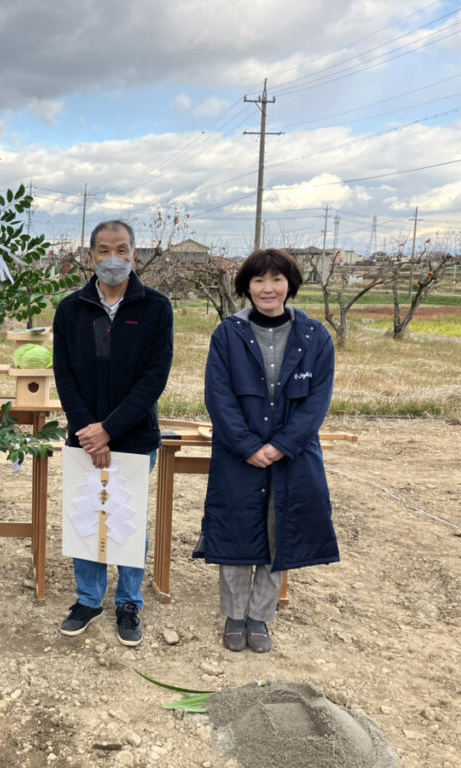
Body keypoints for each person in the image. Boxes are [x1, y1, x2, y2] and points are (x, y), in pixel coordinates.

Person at [199, 248, 338, 653]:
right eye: (259, 280)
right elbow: (218, 395)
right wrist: (247, 446)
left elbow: (317, 403)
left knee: (282, 533)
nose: (268, 288)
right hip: (237, 454)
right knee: (237, 530)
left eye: (277, 280)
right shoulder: (229, 334)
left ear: (289, 285)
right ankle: (234, 614)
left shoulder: (315, 337)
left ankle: (260, 616)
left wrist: (279, 447)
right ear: (246, 287)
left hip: (292, 456)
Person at [52, 220, 174, 646]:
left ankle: (129, 602)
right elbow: (64, 375)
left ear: (134, 254)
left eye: (121, 249)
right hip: (84, 435)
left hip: (135, 435)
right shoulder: (71, 309)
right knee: (87, 515)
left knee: (127, 518)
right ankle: (88, 598)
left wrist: (110, 429)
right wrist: (89, 430)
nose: (112, 258)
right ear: (91, 257)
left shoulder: (156, 308)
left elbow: (154, 377)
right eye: (103, 250)